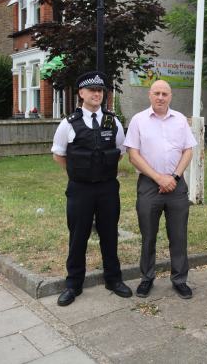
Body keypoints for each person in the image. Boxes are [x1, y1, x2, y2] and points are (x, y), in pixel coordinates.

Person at [51, 71, 133, 306]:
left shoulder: (112, 120)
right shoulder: (68, 123)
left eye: (100, 90)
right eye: (92, 90)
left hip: (107, 188)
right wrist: (79, 173)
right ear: (81, 93)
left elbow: (119, 153)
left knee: (109, 234)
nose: (97, 94)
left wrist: (101, 173)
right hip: (80, 189)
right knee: (78, 237)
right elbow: (59, 154)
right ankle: (73, 284)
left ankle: (113, 279)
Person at [124, 80, 196, 299]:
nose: (161, 97)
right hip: (149, 185)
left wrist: (173, 177)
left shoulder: (180, 120)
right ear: (149, 95)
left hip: (176, 185)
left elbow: (188, 151)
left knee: (178, 235)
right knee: (148, 235)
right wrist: (158, 178)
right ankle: (147, 278)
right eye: (157, 93)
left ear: (171, 97)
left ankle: (180, 279)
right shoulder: (138, 120)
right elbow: (133, 155)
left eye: (165, 94)